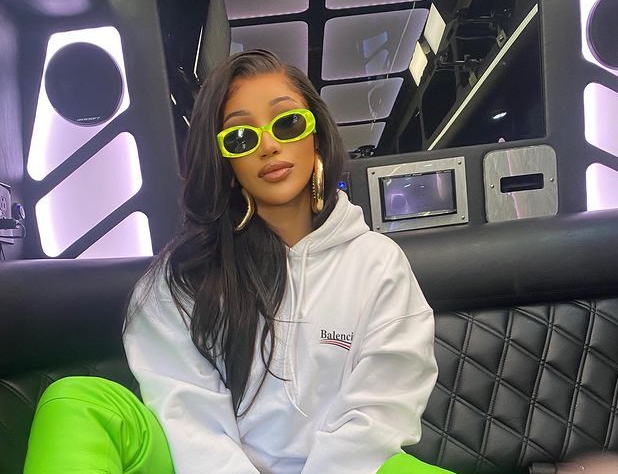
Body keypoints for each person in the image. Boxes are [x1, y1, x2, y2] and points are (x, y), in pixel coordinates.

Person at [24, 49, 447, 474]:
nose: (269, 146)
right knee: (76, 402)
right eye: (241, 138)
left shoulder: (378, 263)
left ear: (316, 135)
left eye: (287, 123)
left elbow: (379, 413)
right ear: (225, 161)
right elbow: (188, 419)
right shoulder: (183, 276)